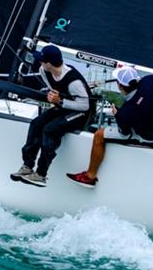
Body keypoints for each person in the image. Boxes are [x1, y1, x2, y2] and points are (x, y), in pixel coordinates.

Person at [66, 66, 153, 188]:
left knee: (99, 134)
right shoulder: (148, 82)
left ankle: (90, 176)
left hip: (148, 137)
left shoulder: (126, 112)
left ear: (119, 85)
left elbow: (124, 132)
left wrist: (117, 115)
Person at [11, 45, 94, 187]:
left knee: (50, 129)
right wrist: (55, 99)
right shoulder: (43, 70)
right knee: (36, 123)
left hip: (81, 113)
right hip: (63, 107)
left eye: (42, 60)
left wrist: (60, 101)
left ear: (49, 63)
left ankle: (41, 174)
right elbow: (54, 90)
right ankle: (27, 166)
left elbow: (85, 106)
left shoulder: (74, 81)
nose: (40, 62)